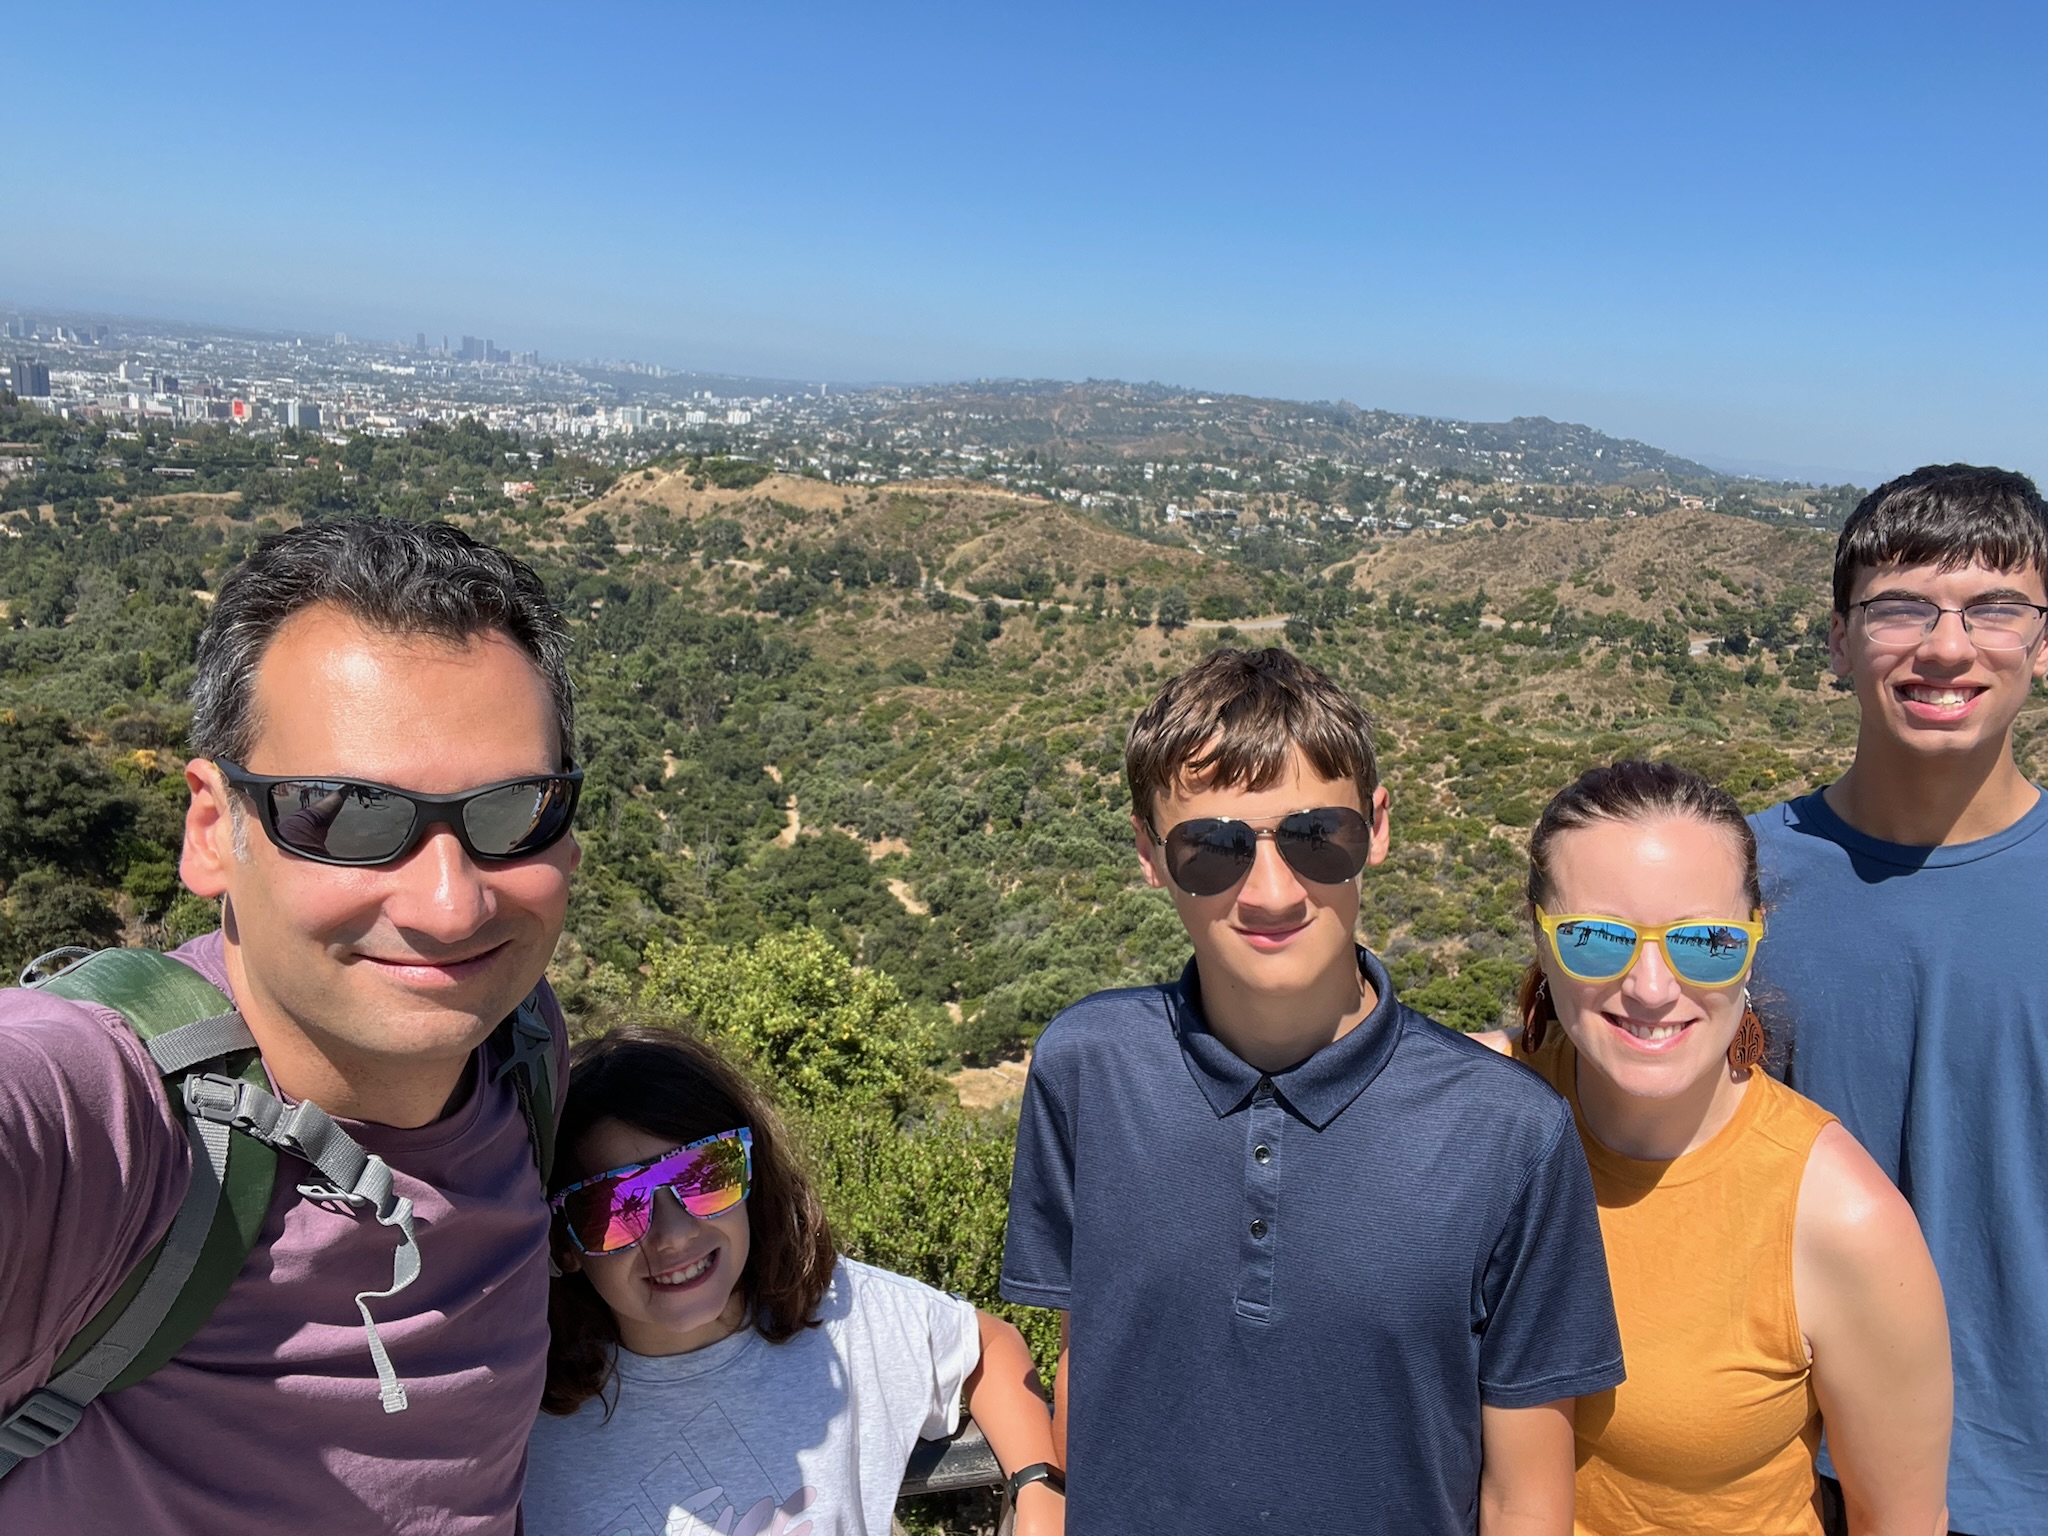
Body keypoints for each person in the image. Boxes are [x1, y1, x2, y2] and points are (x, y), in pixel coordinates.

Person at [0, 518, 582, 1531]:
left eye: (510, 810)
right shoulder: (113, 1123)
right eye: (349, 813)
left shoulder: (522, 1046)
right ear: (212, 830)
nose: (451, 908)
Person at [1002, 647, 1625, 1536]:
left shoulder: (1509, 1133)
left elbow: (1524, 1496)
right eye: (1212, 849)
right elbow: (1093, 1355)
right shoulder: (1087, 1069)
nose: (1271, 893)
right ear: (1150, 854)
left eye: (1315, 837)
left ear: (1377, 827)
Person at [1475, 760, 1950, 1535]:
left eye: (1704, 941)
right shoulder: (1464, 1114)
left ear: (1753, 940)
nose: (1652, 987)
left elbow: (1901, 1521)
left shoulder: (1840, 1219)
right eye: (1596, 938)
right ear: (1540, 935)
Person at [1749, 464, 2048, 1535]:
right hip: (1793, 1473)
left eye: (1994, 609)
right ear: (1839, 643)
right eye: (1899, 609)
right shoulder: (1736, 884)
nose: (1946, 647)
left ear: (2043, 645)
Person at [525, 1025, 1062, 1536]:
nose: (674, 1234)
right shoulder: (523, 1410)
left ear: (752, 1173)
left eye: (705, 1174)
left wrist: (1041, 1493)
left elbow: (987, 1346)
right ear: (561, 1242)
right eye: (615, 1206)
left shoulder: (847, 1318)